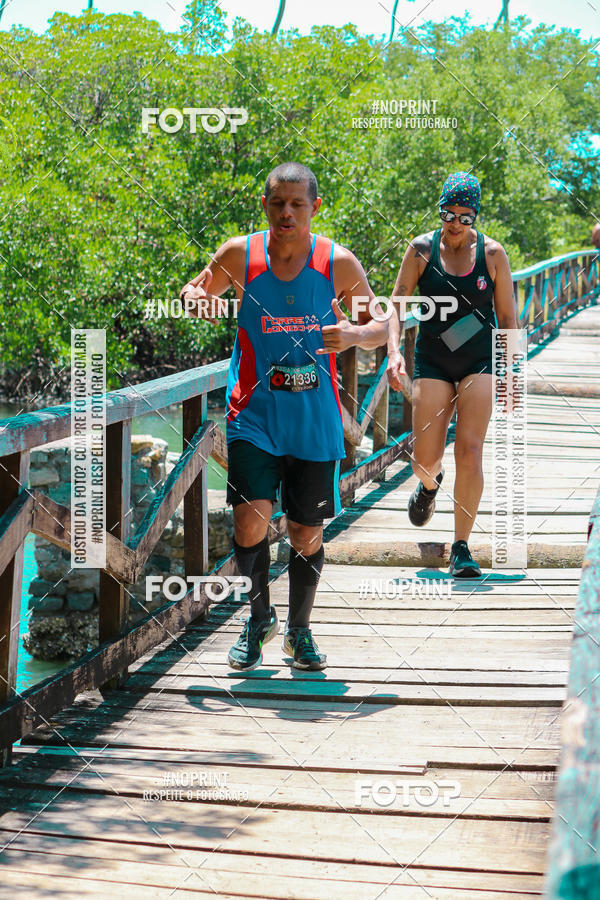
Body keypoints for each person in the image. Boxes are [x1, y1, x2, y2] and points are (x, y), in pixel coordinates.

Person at [180, 162, 387, 669]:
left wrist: (358, 336)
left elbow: (383, 322)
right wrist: (192, 301)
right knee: (251, 522)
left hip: (315, 419)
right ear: (266, 206)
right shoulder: (240, 255)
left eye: (298, 204)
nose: (287, 213)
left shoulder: (336, 263)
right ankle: (256, 621)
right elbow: (194, 292)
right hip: (252, 413)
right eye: (277, 203)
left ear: (315, 208)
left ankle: (298, 631)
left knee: (304, 532)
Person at [386, 172, 518, 577]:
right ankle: (429, 485)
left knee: (471, 450)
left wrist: (509, 375)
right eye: (449, 213)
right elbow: (396, 303)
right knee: (425, 458)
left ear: (475, 217)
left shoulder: (493, 255)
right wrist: (394, 352)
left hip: (479, 359)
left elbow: (509, 319)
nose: (456, 223)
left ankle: (462, 547)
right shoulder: (421, 250)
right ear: (440, 210)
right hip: (434, 360)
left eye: (465, 216)